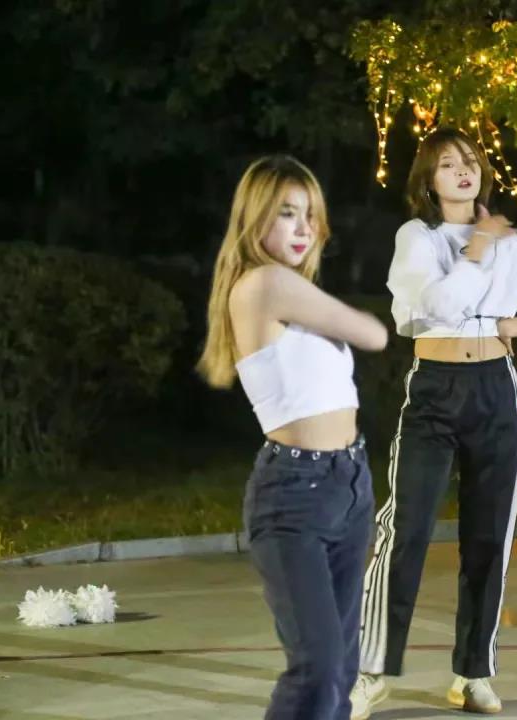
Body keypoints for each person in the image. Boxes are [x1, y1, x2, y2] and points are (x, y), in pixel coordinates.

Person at [351, 128, 517, 719]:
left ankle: (473, 672)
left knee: (489, 535)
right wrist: (478, 247)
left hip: (494, 389)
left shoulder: (508, 244)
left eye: (471, 161)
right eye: (449, 163)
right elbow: (437, 307)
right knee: (406, 529)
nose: (464, 170)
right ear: (429, 179)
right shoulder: (418, 237)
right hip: (435, 389)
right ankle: (371, 670)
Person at [198, 154, 388, 719]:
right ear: (254, 219)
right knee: (318, 668)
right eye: (287, 213)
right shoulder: (265, 284)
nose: (305, 228)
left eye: (310, 215)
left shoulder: (291, 294)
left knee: (341, 670)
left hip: (349, 483)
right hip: (295, 493)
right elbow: (373, 332)